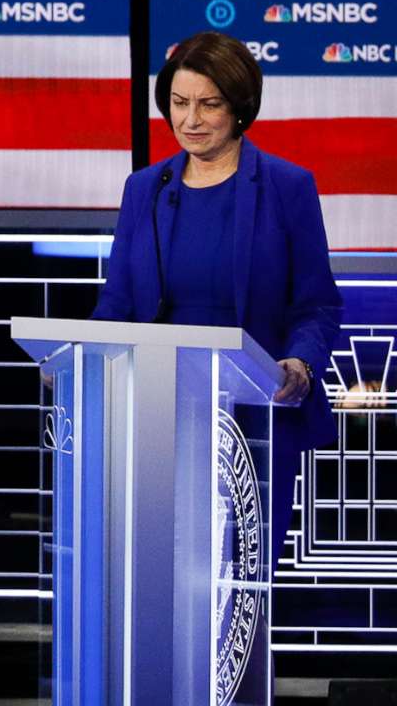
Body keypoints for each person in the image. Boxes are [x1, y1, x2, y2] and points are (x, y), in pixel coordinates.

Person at [93, 30, 340, 552]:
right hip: (159, 411)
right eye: (179, 104)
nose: (191, 120)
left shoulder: (286, 186)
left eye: (209, 105)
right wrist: (80, 359)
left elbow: (317, 303)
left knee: (241, 575)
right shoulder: (146, 189)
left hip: (255, 413)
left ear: (240, 107)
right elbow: (116, 303)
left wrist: (299, 363)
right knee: (160, 563)